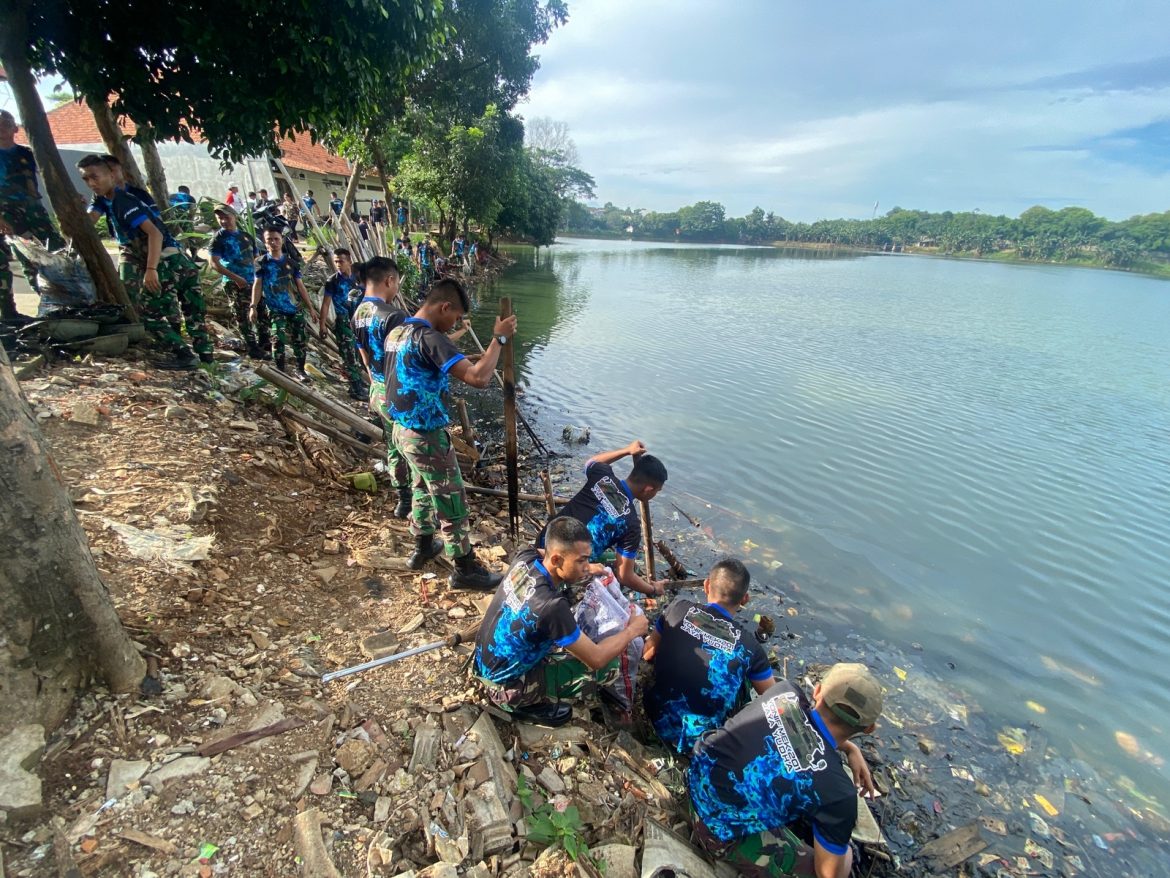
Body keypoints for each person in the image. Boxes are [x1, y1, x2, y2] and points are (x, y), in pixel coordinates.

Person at [688, 665, 882, 878]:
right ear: (869, 729)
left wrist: (850, 749)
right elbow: (828, 874)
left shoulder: (785, 691)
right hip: (712, 829)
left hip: (695, 779)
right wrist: (847, 854)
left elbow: (807, 725)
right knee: (829, 865)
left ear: (817, 691)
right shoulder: (839, 793)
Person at [384, 277, 515, 589]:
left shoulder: (399, 331)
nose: (454, 324)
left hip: (401, 430)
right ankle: (465, 569)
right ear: (444, 307)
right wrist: (499, 340)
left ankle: (423, 547)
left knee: (421, 487)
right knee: (450, 499)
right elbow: (479, 378)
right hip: (425, 435)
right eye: (455, 317)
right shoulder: (429, 337)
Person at [473, 516, 650, 727]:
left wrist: (588, 566)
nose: (586, 566)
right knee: (610, 667)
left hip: (483, 662)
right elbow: (597, 658)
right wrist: (632, 630)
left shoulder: (524, 557)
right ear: (556, 560)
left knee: (575, 589)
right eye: (581, 560)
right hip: (505, 687)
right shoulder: (552, 607)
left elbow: (543, 553)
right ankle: (525, 705)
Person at [77, 154, 208, 367]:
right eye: (86, 179)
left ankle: (186, 355)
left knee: (151, 313)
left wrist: (150, 269)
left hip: (165, 259)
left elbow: (154, 233)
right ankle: (199, 357)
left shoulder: (125, 200)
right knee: (179, 309)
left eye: (95, 177)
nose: (92, 183)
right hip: (161, 258)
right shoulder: (104, 199)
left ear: (112, 174)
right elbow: (88, 221)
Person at [642, 559, 774, 755]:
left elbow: (647, 654)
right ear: (745, 599)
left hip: (655, 714)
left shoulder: (678, 608)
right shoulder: (750, 647)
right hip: (699, 743)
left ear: (706, 585)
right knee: (744, 678)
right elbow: (775, 699)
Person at [536, 441, 670, 598]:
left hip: (543, 542)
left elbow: (591, 462)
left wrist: (627, 450)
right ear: (648, 489)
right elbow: (624, 576)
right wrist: (653, 590)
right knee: (615, 567)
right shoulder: (631, 523)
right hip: (565, 569)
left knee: (608, 558)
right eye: (657, 491)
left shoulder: (603, 477)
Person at [350, 257, 413, 517]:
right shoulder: (393, 316)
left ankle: (403, 499)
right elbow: (408, 359)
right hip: (397, 392)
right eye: (396, 282)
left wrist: (376, 382)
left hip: (377, 387)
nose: (396, 288)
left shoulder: (358, 313)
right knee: (411, 447)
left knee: (392, 445)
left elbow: (364, 356)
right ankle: (418, 507)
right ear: (389, 280)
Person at [0, 110, 66, 319]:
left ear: (15, 128)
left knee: (55, 253)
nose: (1, 128)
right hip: (5, 211)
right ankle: (9, 314)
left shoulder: (27, 153)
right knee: (18, 259)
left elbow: (50, 179)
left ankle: (61, 304)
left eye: (5, 123)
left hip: (33, 209)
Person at [209, 205, 270, 359]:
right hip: (234, 282)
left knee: (261, 310)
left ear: (234, 217)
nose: (223, 221)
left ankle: (264, 343)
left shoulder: (246, 236)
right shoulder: (218, 238)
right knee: (242, 314)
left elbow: (256, 259)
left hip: (253, 280)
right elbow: (214, 263)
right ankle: (252, 347)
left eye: (226, 217)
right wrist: (236, 278)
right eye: (220, 218)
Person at [251, 226, 313, 378]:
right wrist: (253, 306)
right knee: (278, 338)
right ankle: (280, 371)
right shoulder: (261, 262)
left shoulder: (291, 263)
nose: (273, 242)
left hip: (294, 307)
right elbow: (257, 284)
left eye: (276, 239)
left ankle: (300, 370)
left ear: (282, 240)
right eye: (269, 240)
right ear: (265, 243)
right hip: (275, 308)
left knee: (300, 340)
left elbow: (300, 285)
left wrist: (310, 307)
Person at [318, 247, 367, 400]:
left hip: (359, 321)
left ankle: (358, 383)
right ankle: (356, 389)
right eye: (336, 261)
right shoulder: (332, 281)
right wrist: (322, 324)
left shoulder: (358, 279)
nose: (338, 264)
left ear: (349, 262)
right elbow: (326, 304)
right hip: (343, 322)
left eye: (341, 261)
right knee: (349, 356)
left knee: (359, 355)